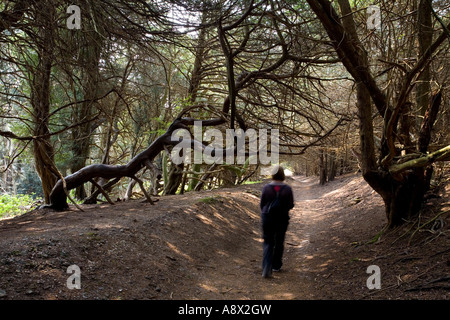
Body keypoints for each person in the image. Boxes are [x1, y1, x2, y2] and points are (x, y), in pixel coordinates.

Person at [260, 166, 294, 278]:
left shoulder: (266, 188)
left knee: (268, 241)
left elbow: (262, 204)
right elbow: (291, 205)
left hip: (267, 217)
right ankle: (276, 265)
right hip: (282, 218)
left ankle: (266, 267)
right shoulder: (287, 189)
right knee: (279, 241)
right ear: (282, 175)